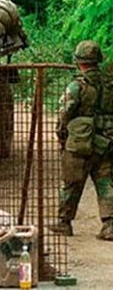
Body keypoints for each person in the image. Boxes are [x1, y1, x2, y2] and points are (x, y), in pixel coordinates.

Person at [52, 40, 113, 240]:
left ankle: (64, 222)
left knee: (72, 181)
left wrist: (61, 134)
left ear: (79, 61)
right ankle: (109, 225)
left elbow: (64, 113)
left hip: (80, 143)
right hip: (105, 141)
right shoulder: (109, 85)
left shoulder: (77, 86)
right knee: (105, 182)